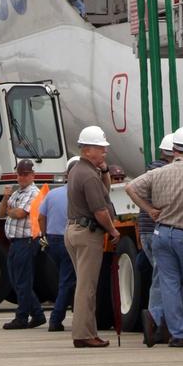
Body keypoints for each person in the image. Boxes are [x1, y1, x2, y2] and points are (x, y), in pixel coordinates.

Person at [127, 127, 183, 348]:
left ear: (173, 149)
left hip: (161, 233)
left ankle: (177, 334)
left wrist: (148, 209)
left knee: (168, 284)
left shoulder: (157, 173)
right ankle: (158, 316)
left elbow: (130, 187)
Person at [65, 125, 119, 348]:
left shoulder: (80, 170)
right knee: (87, 288)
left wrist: (105, 170)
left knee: (84, 285)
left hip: (75, 230)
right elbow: (100, 210)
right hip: (88, 233)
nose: (105, 152)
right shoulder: (88, 176)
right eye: (101, 148)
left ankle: (87, 331)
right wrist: (113, 230)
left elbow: (105, 192)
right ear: (88, 150)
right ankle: (84, 334)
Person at [136, 132, 175, 344]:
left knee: (158, 276)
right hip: (157, 230)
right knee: (161, 279)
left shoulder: (150, 169)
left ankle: (158, 319)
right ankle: (155, 320)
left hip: (146, 231)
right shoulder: (165, 172)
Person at [0, 159, 46, 330]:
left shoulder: (33, 193)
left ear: (33, 175)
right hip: (16, 241)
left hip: (26, 241)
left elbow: (19, 213)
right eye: (19, 174)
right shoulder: (17, 193)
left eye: (25, 174)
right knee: (16, 279)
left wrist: (10, 210)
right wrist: (5, 197)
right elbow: (1, 213)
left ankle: (22, 317)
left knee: (22, 280)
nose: (22, 177)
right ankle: (38, 314)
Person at [38, 155, 80, 331]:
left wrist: (44, 234)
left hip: (52, 239)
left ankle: (65, 314)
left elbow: (41, 217)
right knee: (67, 280)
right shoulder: (78, 195)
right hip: (68, 239)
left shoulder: (52, 194)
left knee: (65, 278)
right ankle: (55, 320)